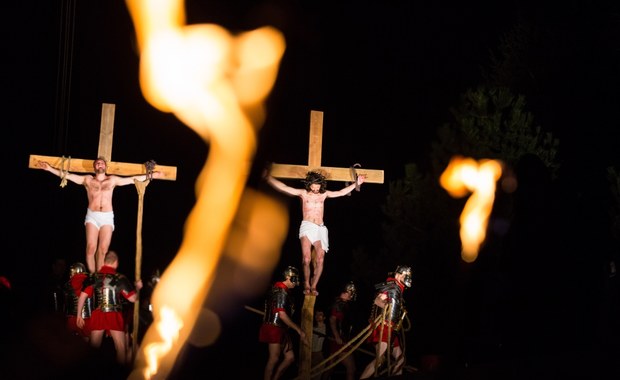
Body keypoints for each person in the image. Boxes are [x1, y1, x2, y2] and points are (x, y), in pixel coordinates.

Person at [37, 158, 161, 272]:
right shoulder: (88, 179)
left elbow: (132, 179)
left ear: (105, 166)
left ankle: (100, 277)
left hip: (107, 217)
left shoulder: (113, 180)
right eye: (97, 163)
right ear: (94, 167)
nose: (99, 164)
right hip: (92, 216)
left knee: (102, 250)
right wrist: (49, 169)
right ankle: (93, 276)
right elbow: (67, 176)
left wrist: (151, 175)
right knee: (91, 248)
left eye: (101, 163)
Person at [265, 170, 366, 295]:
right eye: (314, 185)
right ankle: (306, 283)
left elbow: (340, 192)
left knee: (320, 259)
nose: (316, 188)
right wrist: (269, 178)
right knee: (306, 259)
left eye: (318, 185)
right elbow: (285, 188)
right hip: (307, 226)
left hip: (320, 228)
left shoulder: (323, 195)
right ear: (309, 184)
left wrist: (357, 182)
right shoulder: (303, 193)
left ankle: (314, 285)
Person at [76, 250, 142, 365]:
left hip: (98, 314)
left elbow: (82, 296)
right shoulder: (120, 278)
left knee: (93, 349)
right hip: (114, 314)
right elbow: (133, 299)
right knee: (121, 348)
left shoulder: (94, 277)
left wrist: (78, 315)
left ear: (104, 262)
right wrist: (138, 288)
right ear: (116, 262)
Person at [359, 265, 412, 379]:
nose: (405, 278)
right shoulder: (392, 286)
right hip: (383, 326)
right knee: (379, 359)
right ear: (399, 275)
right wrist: (386, 307)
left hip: (391, 328)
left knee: (400, 359)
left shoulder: (398, 289)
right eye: (404, 275)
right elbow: (378, 300)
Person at [259, 266, 308, 380]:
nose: (296, 283)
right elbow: (281, 314)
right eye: (294, 279)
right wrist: (299, 330)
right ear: (287, 277)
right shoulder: (280, 290)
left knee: (290, 358)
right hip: (274, 327)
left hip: (282, 328)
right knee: (274, 358)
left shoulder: (284, 291)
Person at [323, 281, 358, 380]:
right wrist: (337, 336)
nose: (351, 297)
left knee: (330, 368)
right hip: (338, 340)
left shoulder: (341, 303)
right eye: (351, 295)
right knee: (351, 368)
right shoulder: (339, 304)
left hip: (337, 339)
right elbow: (332, 320)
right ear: (346, 293)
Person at [63, 262, 93, 341]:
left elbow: (65, 303)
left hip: (72, 319)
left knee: (73, 345)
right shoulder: (89, 281)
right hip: (87, 319)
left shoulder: (67, 284)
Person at [311, 309, 327, 380]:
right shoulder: (311, 327)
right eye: (316, 314)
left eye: (320, 314)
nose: (317, 316)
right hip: (310, 354)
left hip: (320, 354)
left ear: (324, 317)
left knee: (317, 376)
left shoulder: (327, 328)